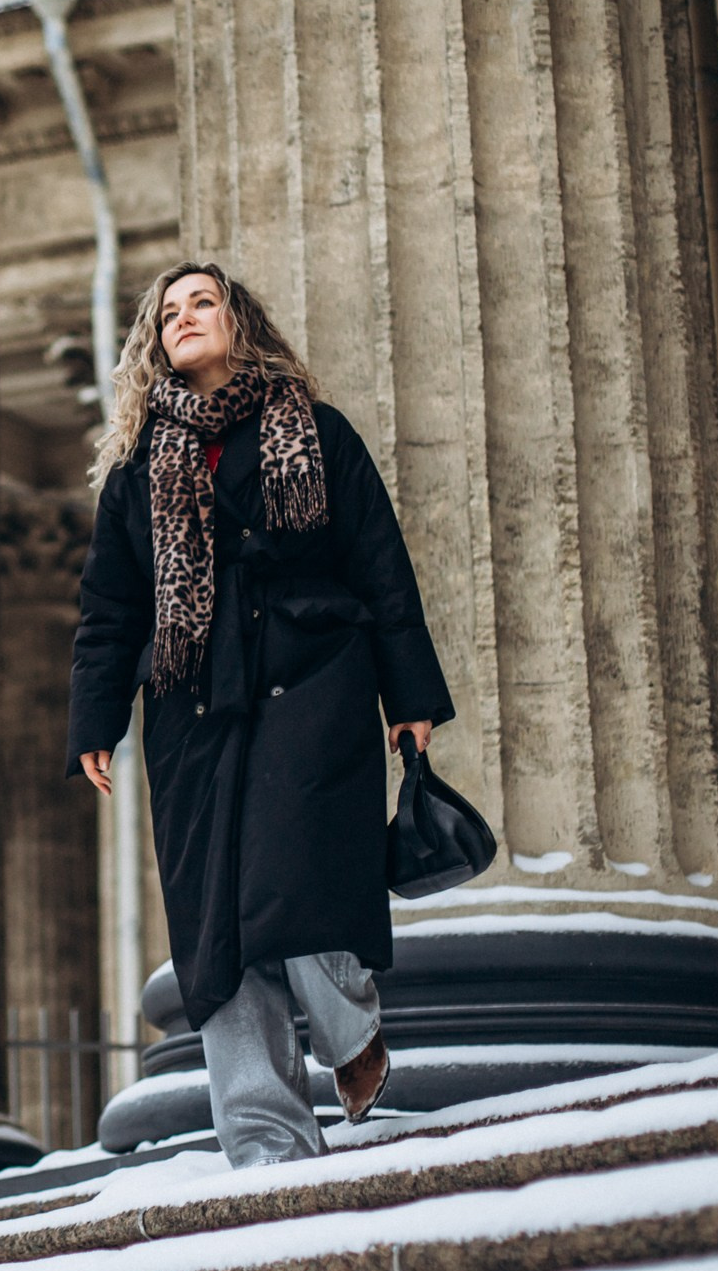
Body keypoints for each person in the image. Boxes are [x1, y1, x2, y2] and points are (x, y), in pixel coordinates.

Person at [66, 260, 454, 1168]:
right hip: (193, 708)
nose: (184, 317)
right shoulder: (137, 470)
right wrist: (95, 719)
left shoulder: (315, 431)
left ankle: (350, 1031)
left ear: (239, 321)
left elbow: (379, 563)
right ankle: (265, 1145)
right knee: (216, 931)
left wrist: (410, 696)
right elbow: (111, 609)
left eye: (202, 301)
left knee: (304, 870)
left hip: (313, 680)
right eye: (169, 311)